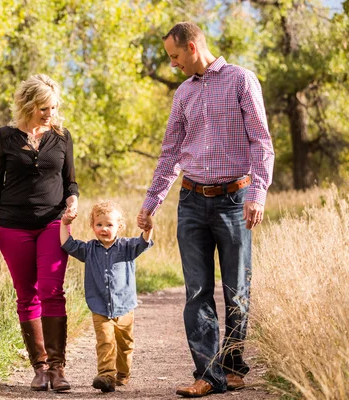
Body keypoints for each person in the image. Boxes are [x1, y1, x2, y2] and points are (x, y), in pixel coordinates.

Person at [136, 22, 275, 397]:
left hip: (234, 200)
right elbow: (169, 154)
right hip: (192, 202)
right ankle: (207, 375)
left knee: (236, 290)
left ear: (193, 47)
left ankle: (232, 366)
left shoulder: (242, 81)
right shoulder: (182, 94)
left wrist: (257, 195)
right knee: (196, 290)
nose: (173, 64)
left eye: (175, 56)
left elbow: (261, 142)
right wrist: (151, 203)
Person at [0, 74, 78, 392]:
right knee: (27, 295)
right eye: (43, 108)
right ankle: (40, 368)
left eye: (53, 107)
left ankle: (58, 368)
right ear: (28, 105)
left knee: (52, 290)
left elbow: (70, 182)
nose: (50, 113)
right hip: (13, 225)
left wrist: (73, 201)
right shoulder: (5, 136)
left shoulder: (62, 137)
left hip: (53, 222)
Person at [60, 200, 153, 393]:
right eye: (99, 224)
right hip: (100, 306)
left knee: (125, 345)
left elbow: (144, 241)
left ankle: (123, 373)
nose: (104, 229)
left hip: (125, 306)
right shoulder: (89, 249)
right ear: (92, 226)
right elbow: (67, 243)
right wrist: (64, 223)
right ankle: (106, 376)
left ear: (119, 226)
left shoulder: (127, 247)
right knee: (105, 341)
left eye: (109, 225)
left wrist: (148, 228)